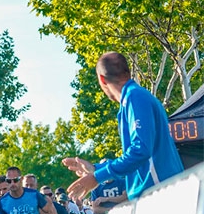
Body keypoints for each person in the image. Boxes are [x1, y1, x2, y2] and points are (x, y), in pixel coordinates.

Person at [64, 51, 184, 200]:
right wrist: (95, 169)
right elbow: (137, 158)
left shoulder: (135, 97)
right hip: (158, 193)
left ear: (102, 80)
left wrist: (97, 177)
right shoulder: (133, 99)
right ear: (127, 71)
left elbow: (140, 151)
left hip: (160, 193)